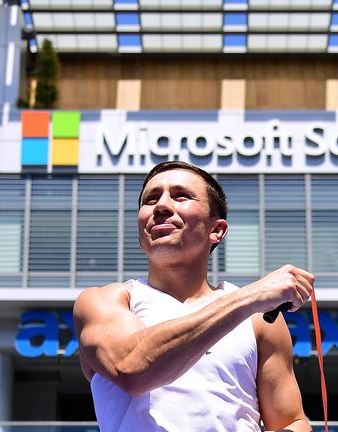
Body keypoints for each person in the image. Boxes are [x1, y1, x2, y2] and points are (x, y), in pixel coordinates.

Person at [73, 161, 314, 432]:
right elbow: (131, 370)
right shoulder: (105, 301)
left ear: (217, 230)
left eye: (181, 196)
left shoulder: (260, 320)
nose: (160, 206)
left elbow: (293, 422)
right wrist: (250, 297)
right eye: (150, 199)